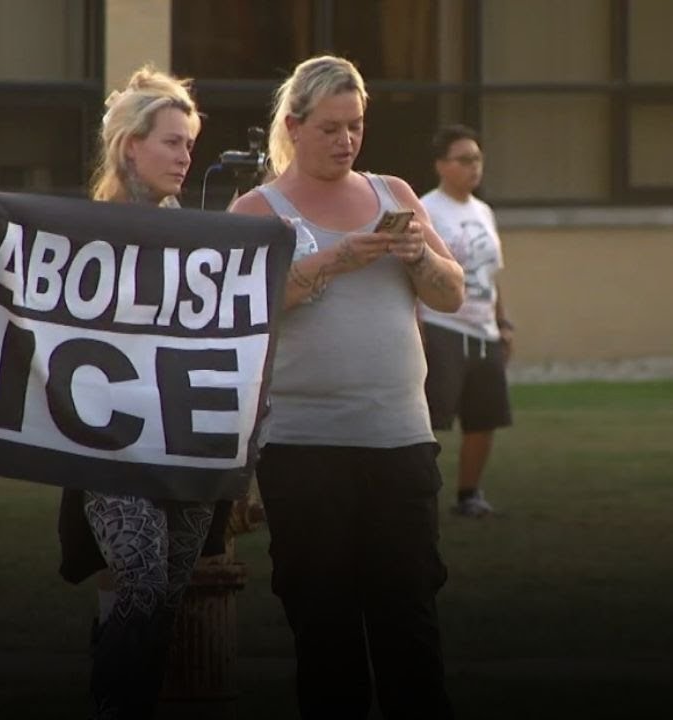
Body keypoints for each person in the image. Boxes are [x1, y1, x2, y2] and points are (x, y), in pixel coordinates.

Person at [0, 66, 220, 719]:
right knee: (143, 582)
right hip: (108, 446)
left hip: (183, 446)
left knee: (162, 597)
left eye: (190, 143)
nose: (186, 156)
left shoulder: (202, 242)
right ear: (132, 146)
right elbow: (26, 274)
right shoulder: (81, 230)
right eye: (172, 142)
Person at [229, 56, 464, 719]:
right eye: (331, 128)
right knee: (324, 624)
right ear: (294, 126)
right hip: (305, 448)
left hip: (399, 439)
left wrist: (418, 254)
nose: (346, 141)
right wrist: (333, 259)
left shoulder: (394, 194)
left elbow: (454, 294)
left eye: (356, 126)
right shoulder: (258, 209)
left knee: (408, 617)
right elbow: (239, 310)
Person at [419, 125, 514, 519]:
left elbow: (490, 273)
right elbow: (415, 272)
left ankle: (469, 494)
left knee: (484, 417)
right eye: (464, 159)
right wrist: (419, 330)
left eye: (477, 159)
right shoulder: (427, 209)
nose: (473, 167)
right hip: (443, 326)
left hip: (483, 330)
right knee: (429, 419)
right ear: (442, 165)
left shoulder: (483, 211)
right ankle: (416, 496)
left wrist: (503, 323)